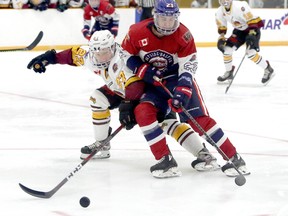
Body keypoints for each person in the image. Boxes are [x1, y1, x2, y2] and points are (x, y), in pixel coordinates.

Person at [26, 30, 219, 177]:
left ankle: (202, 154)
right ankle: (102, 145)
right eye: (97, 52)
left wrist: (129, 107)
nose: (100, 56)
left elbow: (135, 89)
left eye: (105, 51)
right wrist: (48, 58)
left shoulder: (122, 61)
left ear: (113, 48)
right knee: (97, 98)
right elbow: (71, 55)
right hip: (120, 90)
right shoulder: (91, 56)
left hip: (148, 92)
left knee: (166, 123)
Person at [121, 0, 250, 178]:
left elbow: (188, 66)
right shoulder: (136, 31)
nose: (168, 24)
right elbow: (124, 54)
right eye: (164, 19)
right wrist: (143, 70)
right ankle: (165, 161)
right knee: (143, 112)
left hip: (176, 79)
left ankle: (233, 157)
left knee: (198, 119)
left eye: (172, 19)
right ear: (155, 17)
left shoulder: (184, 35)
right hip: (153, 84)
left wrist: (182, 90)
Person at [216, 0, 275, 85]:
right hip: (239, 31)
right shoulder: (219, 12)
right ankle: (229, 73)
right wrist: (221, 38)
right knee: (226, 50)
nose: (224, 1)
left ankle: (268, 69)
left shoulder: (240, 6)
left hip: (252, 29)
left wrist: (251, 36)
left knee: (250, 53)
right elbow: (222, 28)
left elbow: (252, 21)